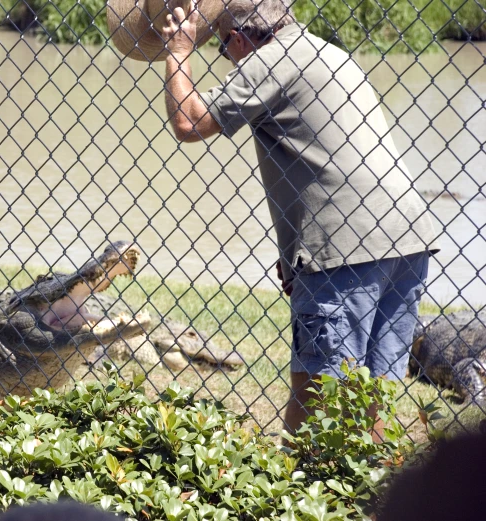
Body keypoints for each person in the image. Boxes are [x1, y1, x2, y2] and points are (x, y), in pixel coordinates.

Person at [161, 0, 440, 440]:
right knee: (371, 397)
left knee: (316, 397)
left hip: (345, 242)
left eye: (221, 48)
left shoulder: (267, 60)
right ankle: (370, 494)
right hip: (406, 234)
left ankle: (287, 496)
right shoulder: (327, 53)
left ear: (238, 38)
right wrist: (295, 252)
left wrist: (178, 50)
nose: (227, 58)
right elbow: (327, 156)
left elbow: (189, 121)